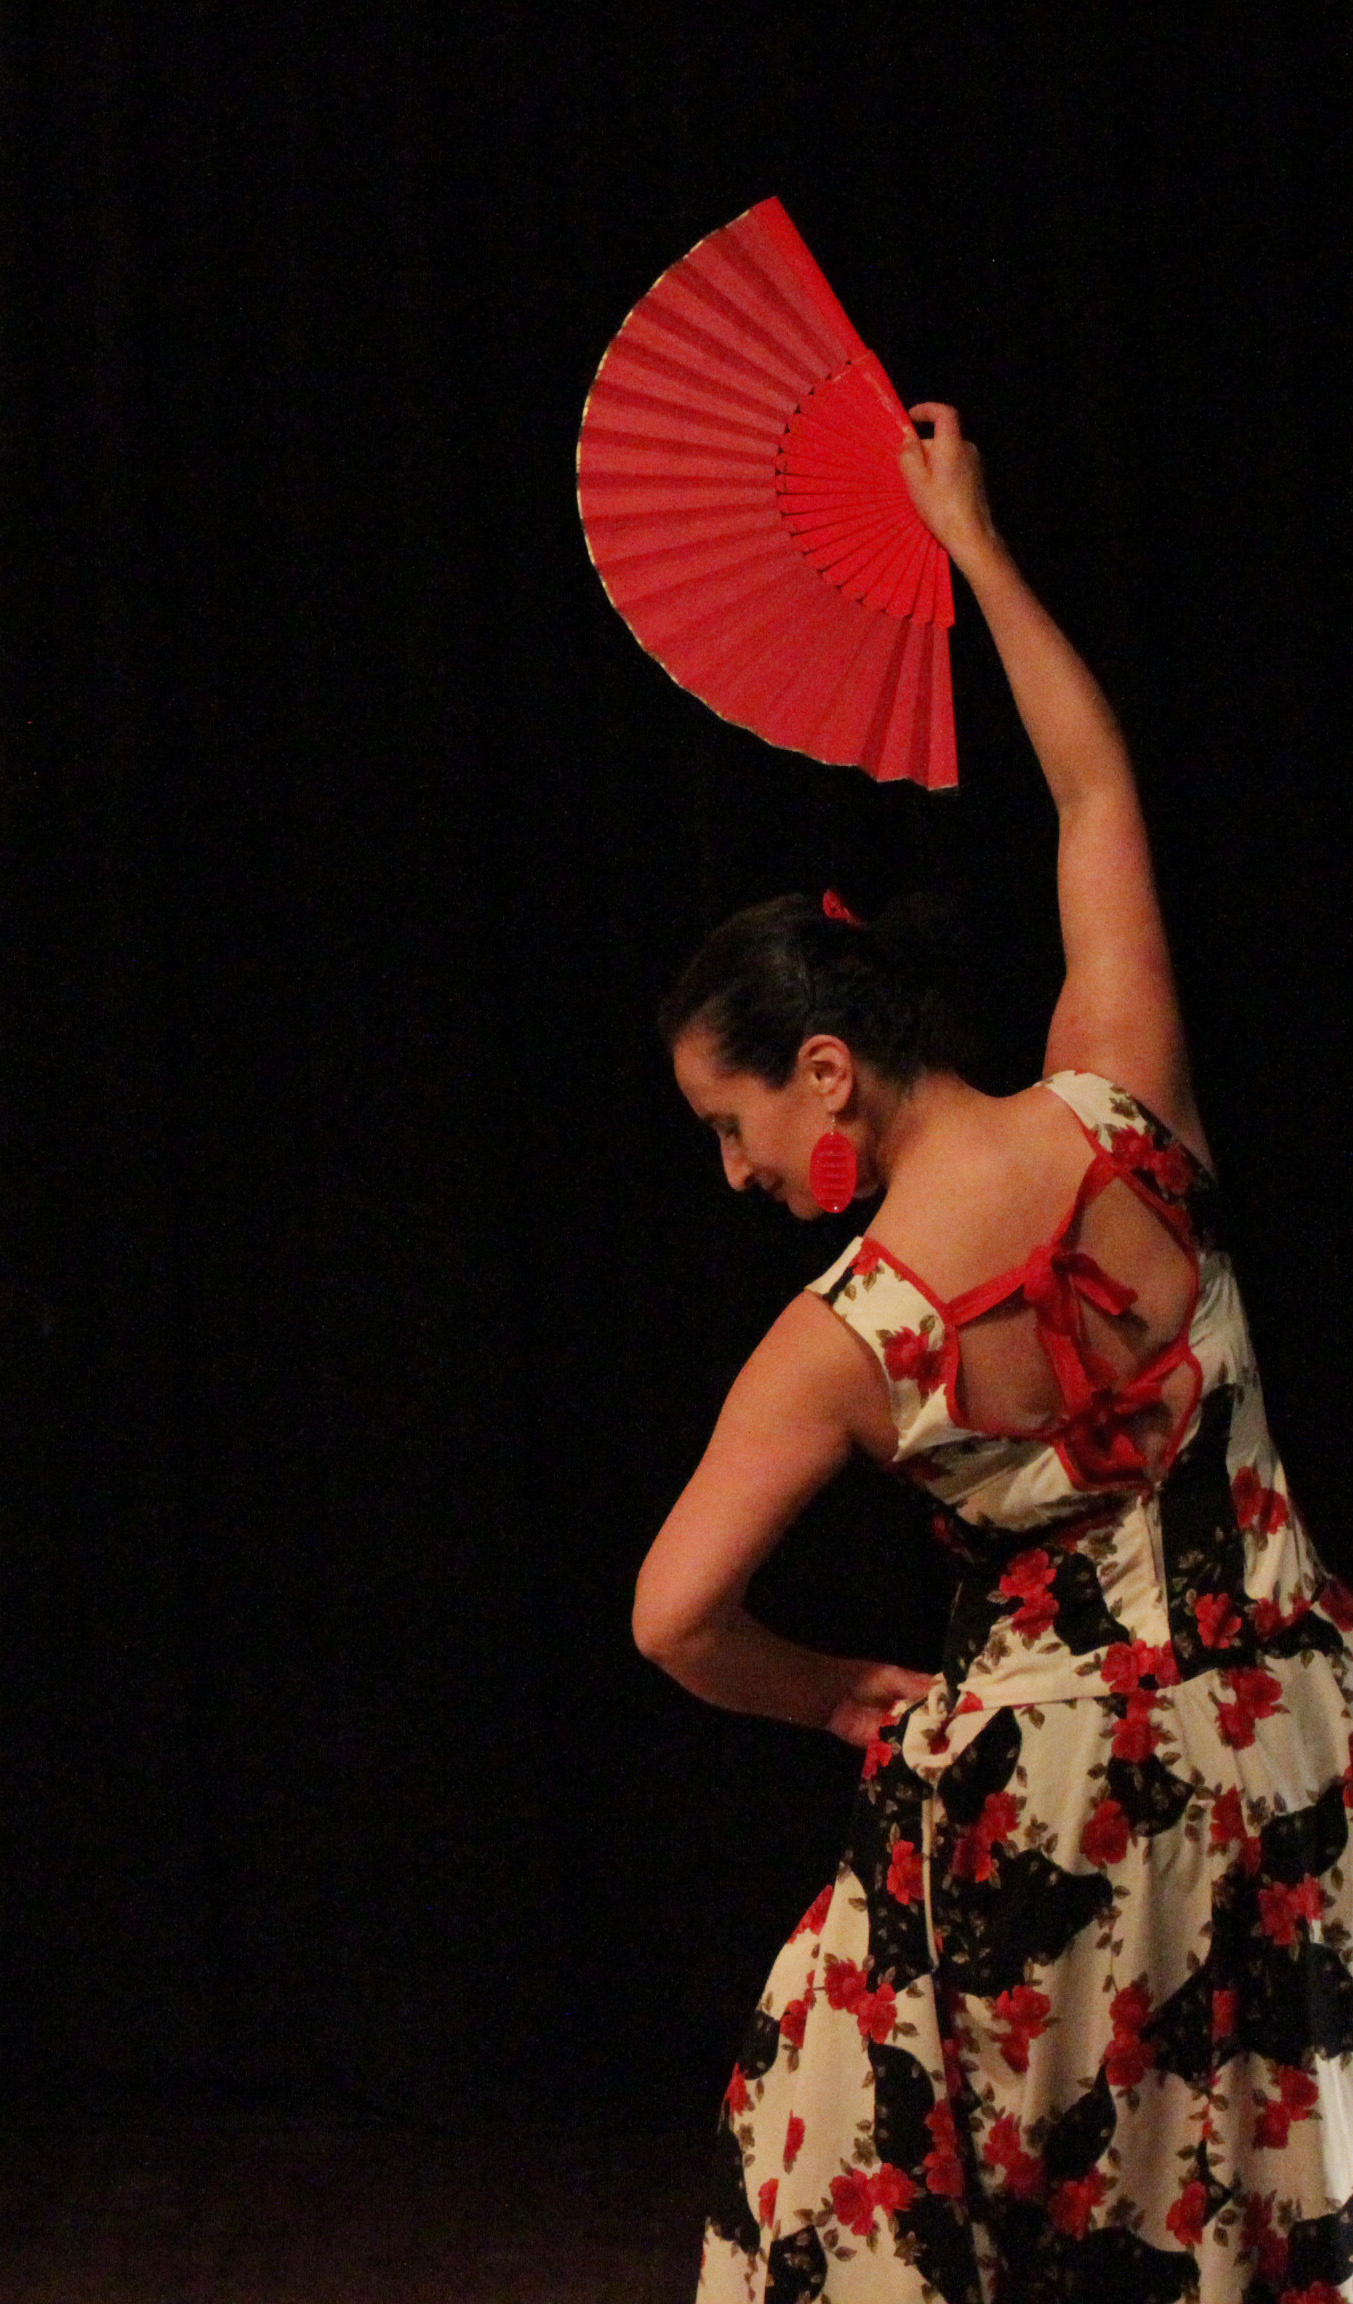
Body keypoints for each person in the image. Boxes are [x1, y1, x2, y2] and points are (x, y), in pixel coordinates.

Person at [642, 408, 1353, 2298]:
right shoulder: (1130, 1102)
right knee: (1255, 2190)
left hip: (1051, 1821)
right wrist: (973, 541)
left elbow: (673, 1616)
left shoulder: (841, 1340)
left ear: (826, 1071)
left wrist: (850, 1700)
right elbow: (1098, 798)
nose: (734, 1176)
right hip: (1292, 1741)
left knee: (931, 2187)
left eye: (731, 1126)